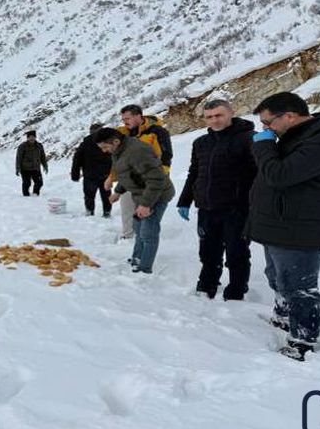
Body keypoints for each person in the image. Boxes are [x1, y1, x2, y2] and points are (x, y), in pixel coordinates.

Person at [248, 92, 320, 361]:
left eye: (268, 122)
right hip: (280, 223)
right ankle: (283, 315)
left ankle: (302, 340)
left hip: (302, 227)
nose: (266, 129)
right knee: (277, 276)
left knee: (300, 286)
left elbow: (279, 175)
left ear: (289, 115)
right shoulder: (296, 136)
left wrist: (263, 147)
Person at [176, 99, 256, 301]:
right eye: (209, 117)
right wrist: (185, 200)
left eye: (219, 115)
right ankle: (207, 285)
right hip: (206, 207)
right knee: (208, 251)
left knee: (236, 252)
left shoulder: (249, 139)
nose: (214, 120)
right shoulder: (201, 143)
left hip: (236, 208)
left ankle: (236, 290)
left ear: (231, 113)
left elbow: (259, 174)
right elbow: (195, 172)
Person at [98, 128, 175, 274]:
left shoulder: (138, 152)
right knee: (138, 228)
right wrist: (118, 192)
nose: (104, 151)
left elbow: (156, 179)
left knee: (148, 231)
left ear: (115, 141)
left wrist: (146, 205)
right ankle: (136, 259)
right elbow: (128, 174)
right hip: (142, 194)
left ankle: (144, 269)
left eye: (105, 147)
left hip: (157, 195)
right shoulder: (120, 151)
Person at [112, 104, 174, 239]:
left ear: (138, 116)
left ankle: (145, 240)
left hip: (149, 179)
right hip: (130, 179)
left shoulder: (157, 132)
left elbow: (166, 156)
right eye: (123, 119)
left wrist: (159, 178)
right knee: (127, 208)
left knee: (146, 211)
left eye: (127, 118)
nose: (125, 122)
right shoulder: (124, 134)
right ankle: (128, 237)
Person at [71, 123, 113, 217]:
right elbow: (77, 158)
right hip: (102, 175)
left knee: (90, 196)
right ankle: (106, 212)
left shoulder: (86, 143)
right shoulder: (107, 141)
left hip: (92, 175)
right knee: (105, 195)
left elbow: (77, 159)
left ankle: (90, 212)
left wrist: (75, 174)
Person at [15, 130, 48, 196]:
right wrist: (17, 168)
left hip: (36, 168)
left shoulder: (39, 146)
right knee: (27, 183)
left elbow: (43, 157)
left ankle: (35, 194)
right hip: (25, 169)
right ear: (27, 138)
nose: (31, 138)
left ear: (35, 137)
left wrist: (45, 166)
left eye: (33, 137)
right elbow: (18, 158)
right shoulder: (22, 146)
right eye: (30, 137)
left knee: (39, 183)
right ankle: (26, 197)